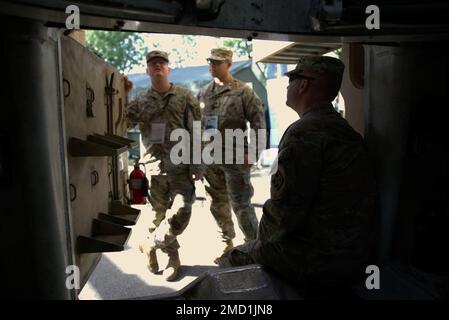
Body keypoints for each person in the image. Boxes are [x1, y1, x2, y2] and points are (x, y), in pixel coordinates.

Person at [216, 56, 377, 290]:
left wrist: (258, 245)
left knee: (232, 257)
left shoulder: (304, 133)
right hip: (352, 251)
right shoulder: (341, 127)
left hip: (322, 260)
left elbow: (283, 216)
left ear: (304, 85)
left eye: (292, 78)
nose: (287, 84)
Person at [127, 50, 204, 281]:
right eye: (153, 63)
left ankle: (150, 244)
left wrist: (197, 165)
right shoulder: (139, 100)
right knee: (157, 217)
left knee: (182, 210)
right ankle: (173, 258)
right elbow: (121, 121)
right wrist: (124, 92)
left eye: (162, 63)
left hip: (181, 167)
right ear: (147, 70)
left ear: (168, 68)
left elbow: (196, 131)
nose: (158, 66)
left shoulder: (184, 96)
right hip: (154, 168)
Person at [197, 48, 266, 261]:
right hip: (210, 158)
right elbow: (198, 127)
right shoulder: (203, 92)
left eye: (217, 62)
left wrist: (253, 153)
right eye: (210, 62)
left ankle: (254, 247)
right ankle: (226, 243)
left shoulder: (243, 91)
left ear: (228, 64)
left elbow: (258, 124)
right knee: (217, 203)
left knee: (241, 204)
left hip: (235, 158)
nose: (212, 66)